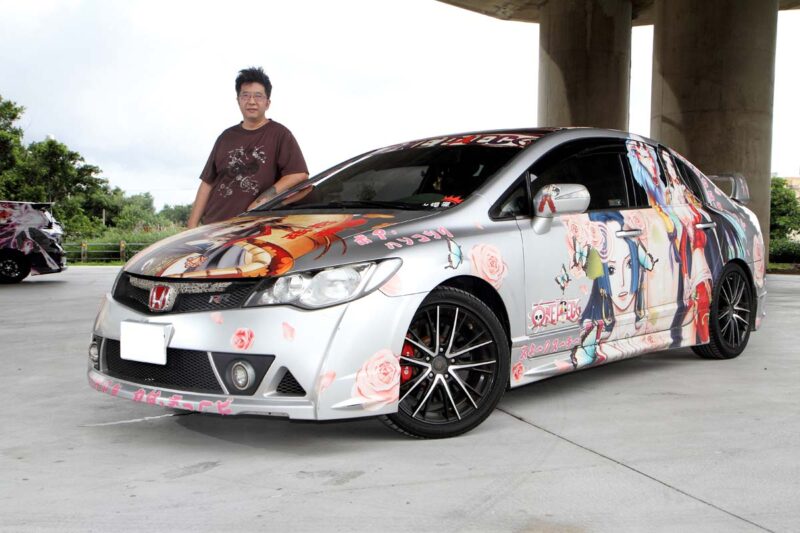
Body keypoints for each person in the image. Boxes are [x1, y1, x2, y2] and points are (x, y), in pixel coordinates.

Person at [187, 67, 309, 228]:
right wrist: (191, 226)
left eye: (258, 96)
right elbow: (207, 183)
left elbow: (299, 174)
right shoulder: (226, 137)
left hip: (252, 228)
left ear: (267, 103)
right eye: (245, 95)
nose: (251, 101)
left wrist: (262, 200)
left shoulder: (280, 134)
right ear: (238, 100)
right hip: (213, 226)